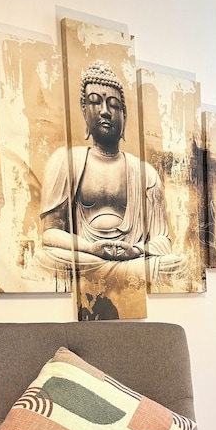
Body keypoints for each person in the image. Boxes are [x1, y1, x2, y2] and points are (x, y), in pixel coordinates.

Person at [39, 60, 183, 292]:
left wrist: (135, 250)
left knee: (177, 263)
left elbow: (163, 241)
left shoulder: (146, 173)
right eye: (95, 102)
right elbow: (49, 234)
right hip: (86, 259)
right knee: (44, 258)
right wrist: (90, 248)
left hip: (134, 261)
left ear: (124, 115)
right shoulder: (65, 161)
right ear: (84, 110)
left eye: (113, 105)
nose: (105, 111)